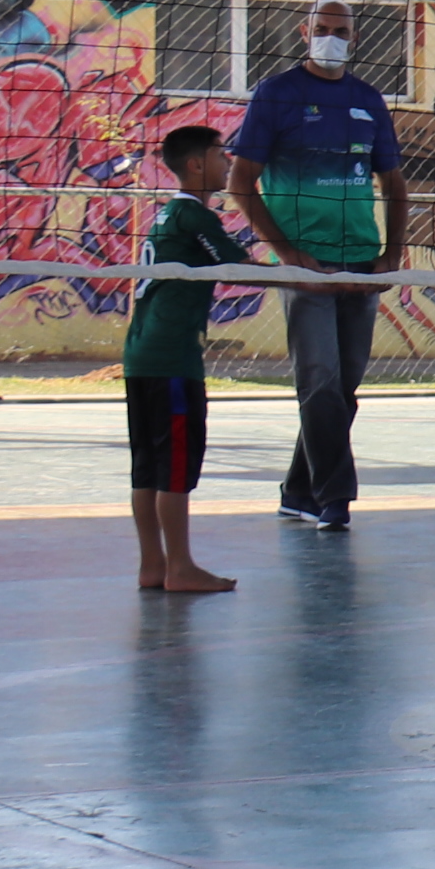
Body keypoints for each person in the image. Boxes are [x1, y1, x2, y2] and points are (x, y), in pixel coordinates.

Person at [228, 0, 407, 533]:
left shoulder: (367, 99)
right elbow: (240, 181)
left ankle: (297, 492)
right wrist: (288, 255)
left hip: (362, 262)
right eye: (322, 29)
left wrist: (392, 255)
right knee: (320, 381)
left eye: (341, 31)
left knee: (342, 389)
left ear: (355, 38)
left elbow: (394, 183)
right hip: (307, 265)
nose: (332, 38)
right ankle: (336, 498)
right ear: (304, 32)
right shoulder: (277, 93)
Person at [124, 124, 251, 595]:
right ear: (196, 164)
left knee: (147, 467)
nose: (228, 161)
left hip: (141, 356)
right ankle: (180, 567)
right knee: (174, 468)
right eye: (220, 154)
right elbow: (241, 268)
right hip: (172, 359)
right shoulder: (194, 215)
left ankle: (153, 565)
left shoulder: (166, 215)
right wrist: (315, 277)